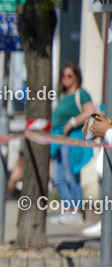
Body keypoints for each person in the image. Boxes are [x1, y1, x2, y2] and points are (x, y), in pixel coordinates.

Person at [49, 62, 97, 224]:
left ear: (76, 77)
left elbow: (90, 111)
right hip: (57, 137)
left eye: (69, 75)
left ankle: (76, 210)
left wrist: (72, 122)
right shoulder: (63, 95)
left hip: (71, 136)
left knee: (71, 175)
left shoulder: (81, 94)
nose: (65, 79)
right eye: (63, 75)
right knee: (57, 176)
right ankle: (67, 209)